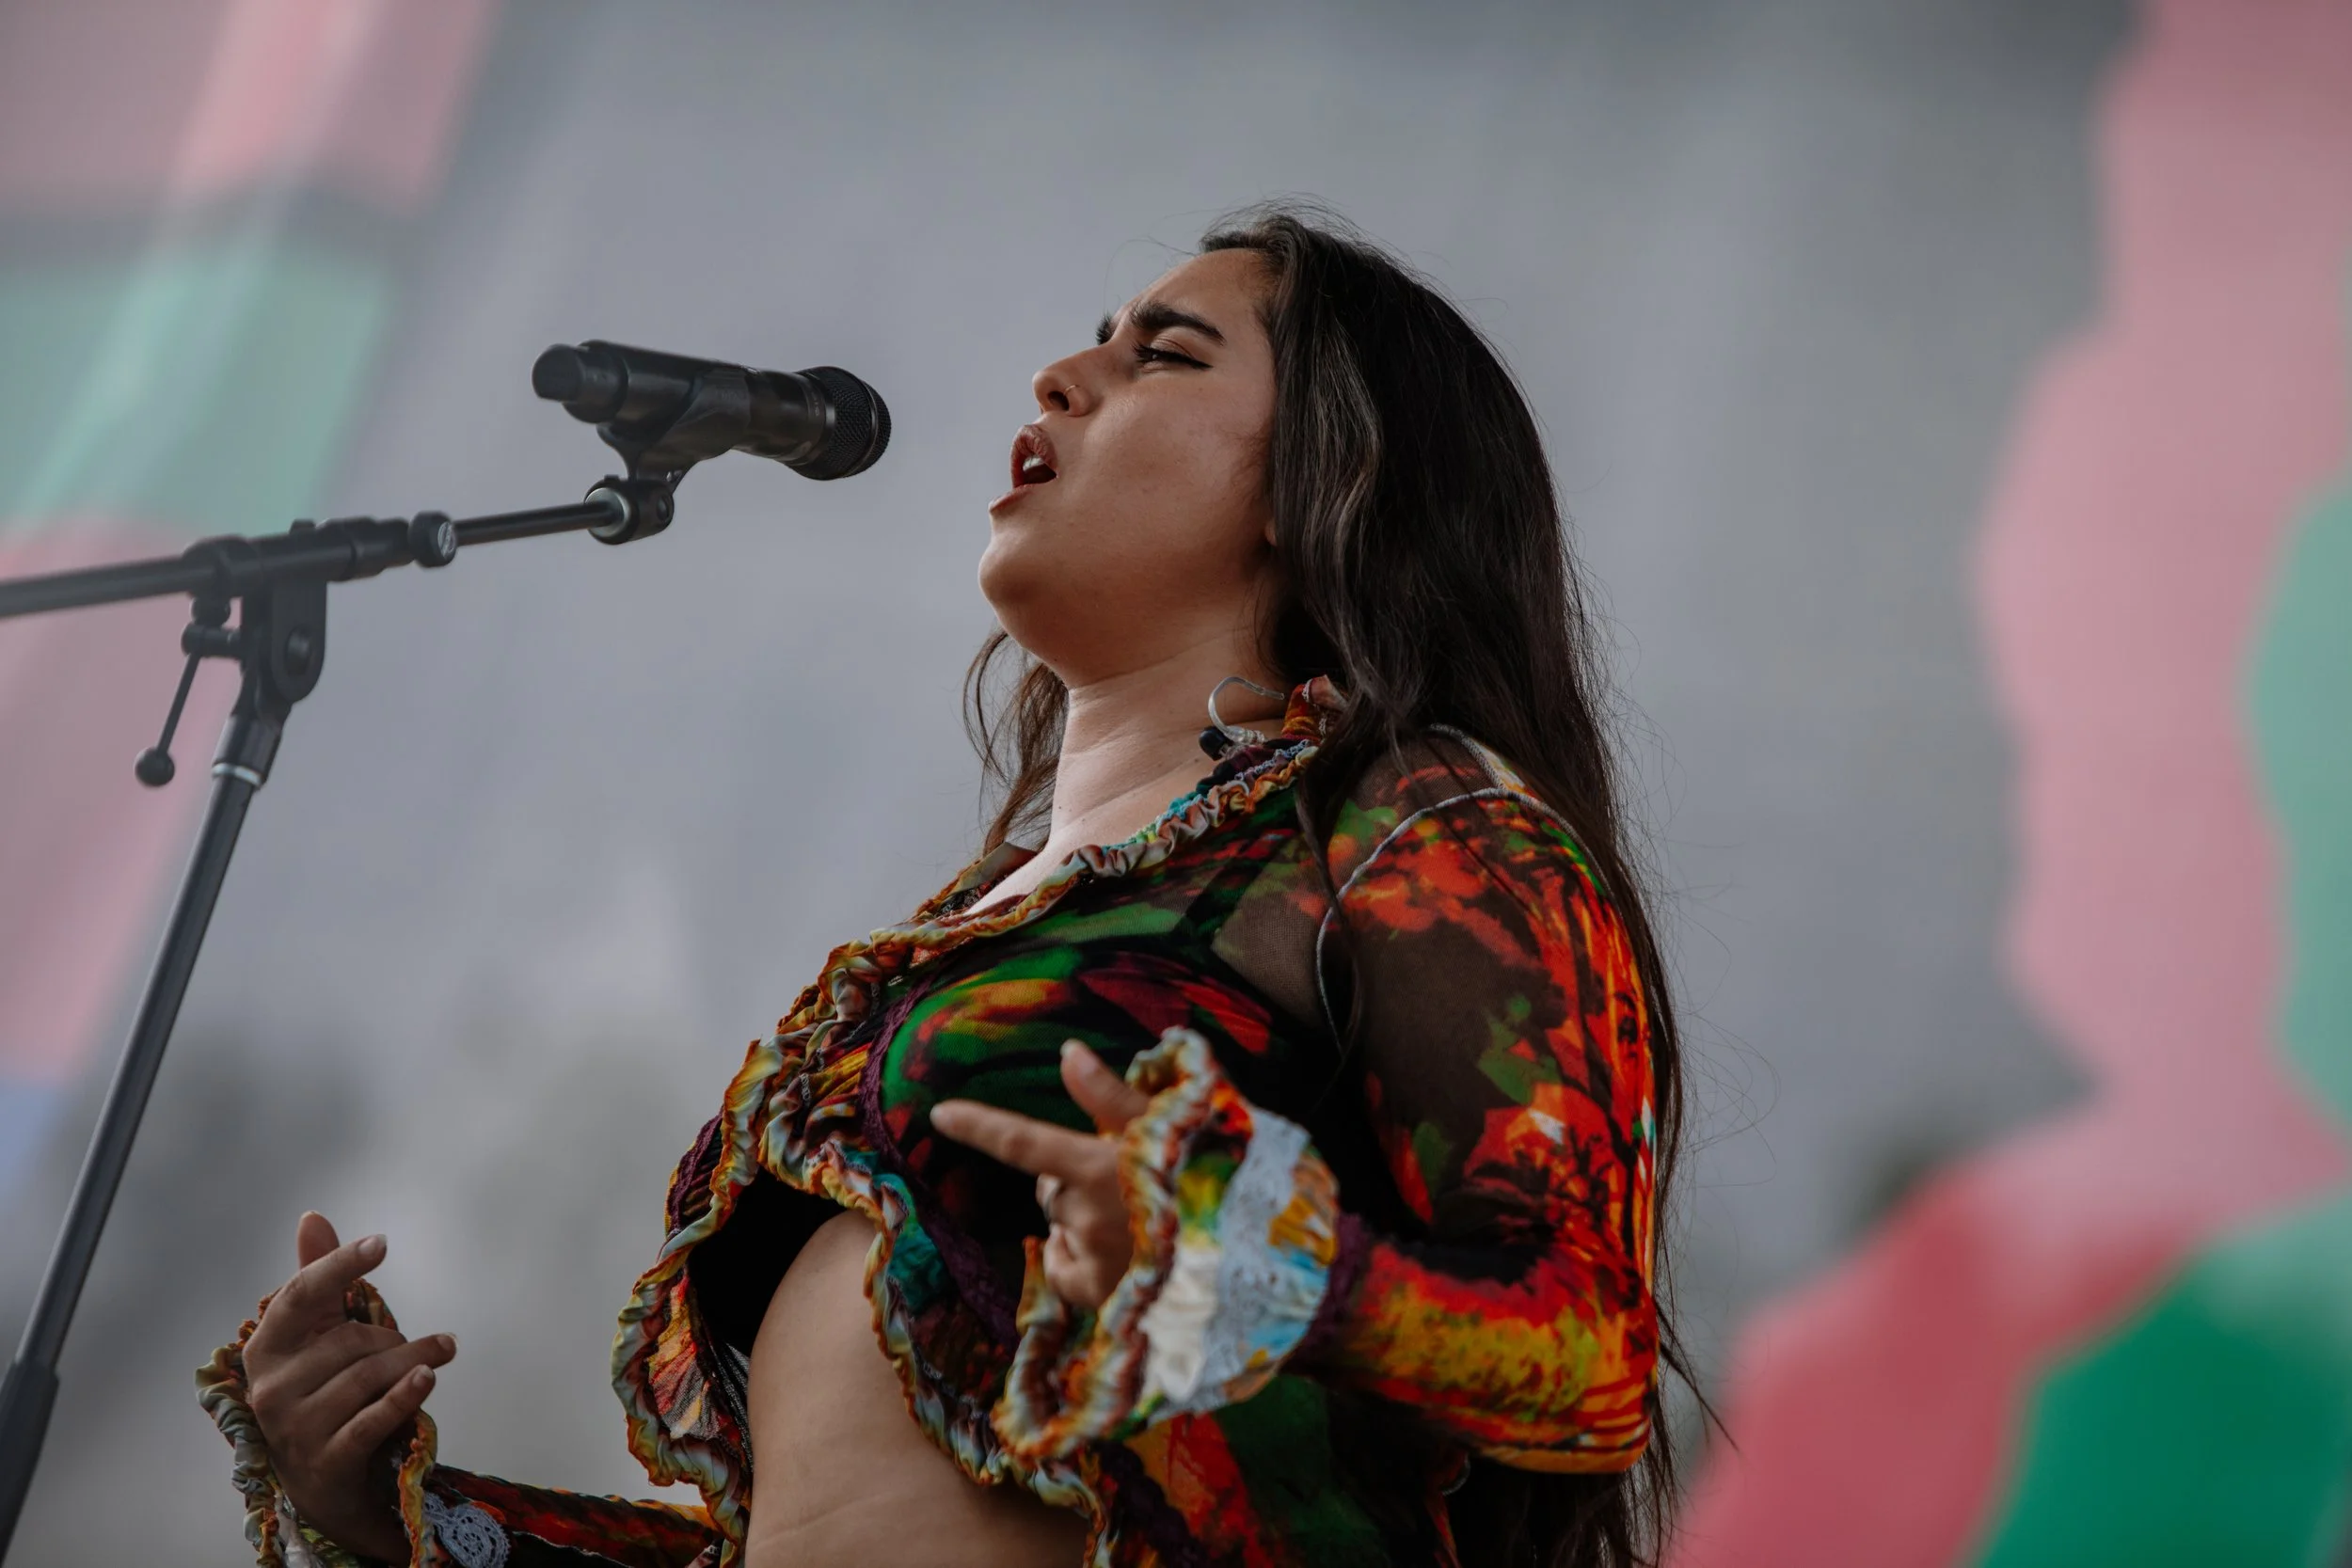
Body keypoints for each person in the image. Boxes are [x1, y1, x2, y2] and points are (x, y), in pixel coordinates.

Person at [199, 203, 1693, 1568]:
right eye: (1096, 338)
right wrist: (396, 1518)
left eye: (1165, 354)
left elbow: (1592, 1357)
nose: (1060, 376)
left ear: (1325, 483)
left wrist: (1271, 1269)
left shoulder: (1410, 823)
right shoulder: (991, 917)